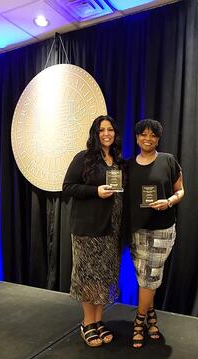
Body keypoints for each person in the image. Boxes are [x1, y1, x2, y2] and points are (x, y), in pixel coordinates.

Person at [62, 115, 125, 347]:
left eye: (110, 129)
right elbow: (67, 187)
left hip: (111, 230)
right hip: (88, 230)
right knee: (88, 277)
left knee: (103, 278)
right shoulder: (84, 158)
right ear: (95, 134)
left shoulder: (117, 161)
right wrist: (95, 191)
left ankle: (98, 321)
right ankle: (87, 323)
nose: (106, 133)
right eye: (102, 130)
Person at [127, 119, 184, 348]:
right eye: (143, 135)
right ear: (137, 137)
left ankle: (139, 321)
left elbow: (181, 191)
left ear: (158, 139)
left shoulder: (168, 160)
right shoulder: (128, 165)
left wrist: (168, 202)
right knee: (144, 278)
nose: (147, 139)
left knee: (150, 278)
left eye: (152, 135)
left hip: (162, 230)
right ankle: (152, 317)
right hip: (136, 231)